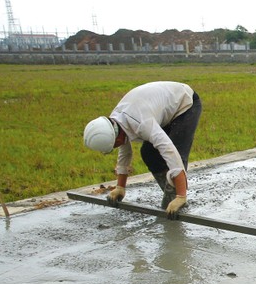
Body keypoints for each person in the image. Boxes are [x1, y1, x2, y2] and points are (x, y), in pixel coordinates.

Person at [83, 81, 202, 218]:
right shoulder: (116, 122)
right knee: (148, 153)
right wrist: (120, 187)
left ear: (117, 138)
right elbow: (125, 151)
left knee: (176, 154)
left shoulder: (142, 123)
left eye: (114, 145)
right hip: (161, 109)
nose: (117, 147)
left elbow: (170, 152)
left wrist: (181, 196)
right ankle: (170, 194)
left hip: (185, 104)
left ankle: (179, 198)